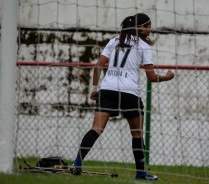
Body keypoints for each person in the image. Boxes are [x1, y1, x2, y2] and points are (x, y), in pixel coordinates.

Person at [70, 13, 174, 181]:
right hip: (129, 92)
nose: (150, 29)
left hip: (108, 89)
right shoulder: (144, 47)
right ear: (140, 28)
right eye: (148, 26)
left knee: (96, 128)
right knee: (137, 134)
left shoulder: (113, 41)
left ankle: (77, 163)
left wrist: (96, 88)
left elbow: (98, 66)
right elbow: (152, 77)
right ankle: (140, 173)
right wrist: (167, 77)